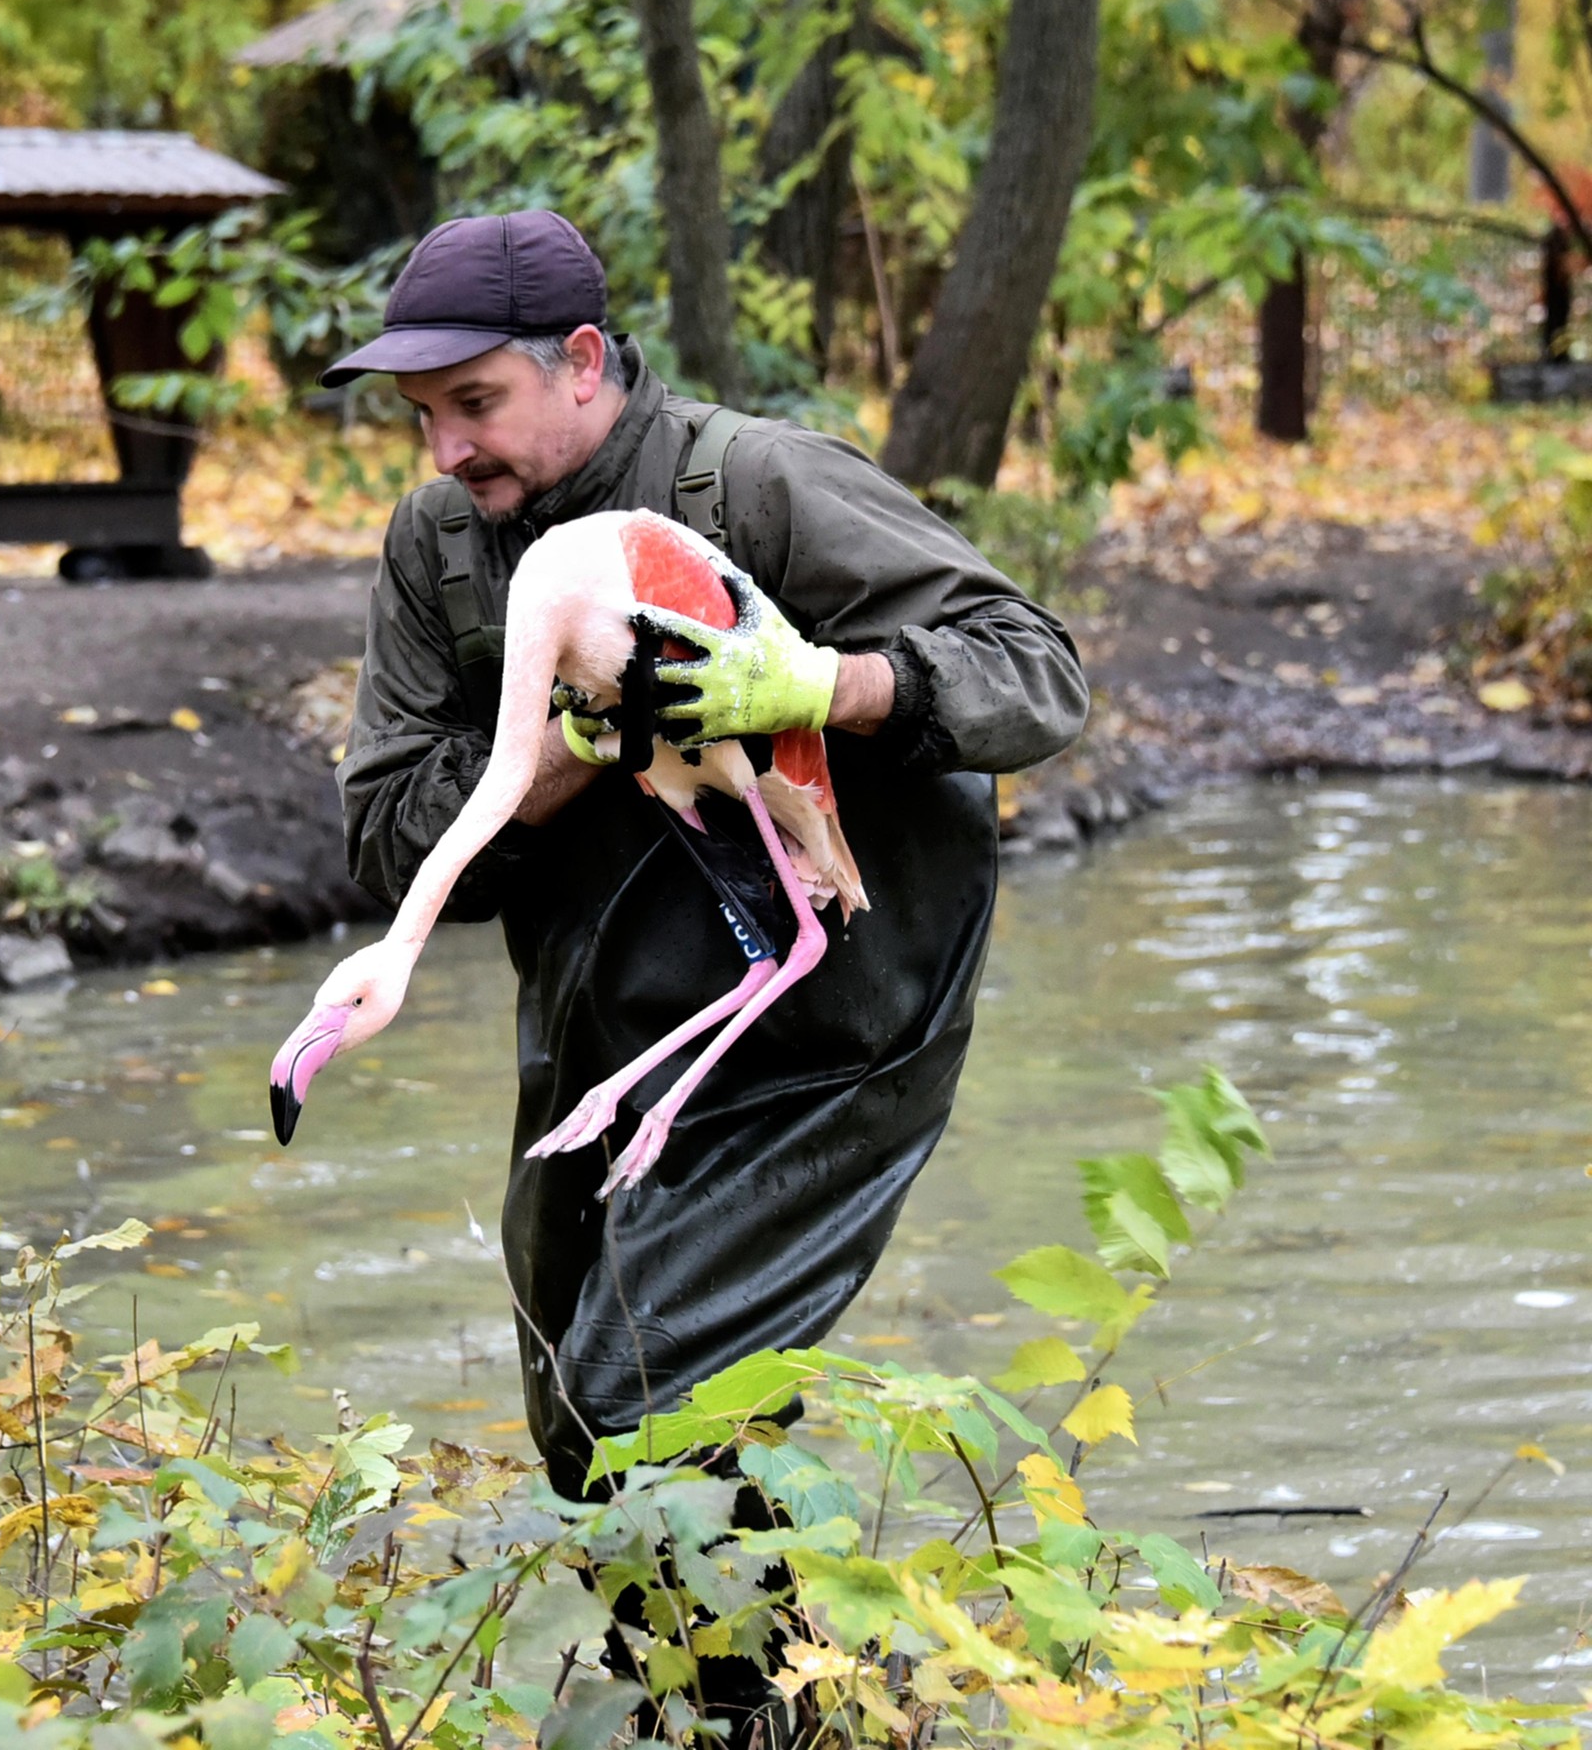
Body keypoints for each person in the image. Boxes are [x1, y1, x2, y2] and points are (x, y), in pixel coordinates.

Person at [328, 209, 1089, 1498]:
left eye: (475, 401)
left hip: (828, 1036)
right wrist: (579, 736)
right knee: (588, 1437)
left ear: (582, 360)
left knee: (643, 1411)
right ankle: (810, 1696)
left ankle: (788, 1691)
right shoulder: (437, 550)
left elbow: (1040, 675)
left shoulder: (753, 486)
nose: (448, 447)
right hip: (598, 1035)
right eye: (421, 414)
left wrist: (817, 685)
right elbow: (389, 840)